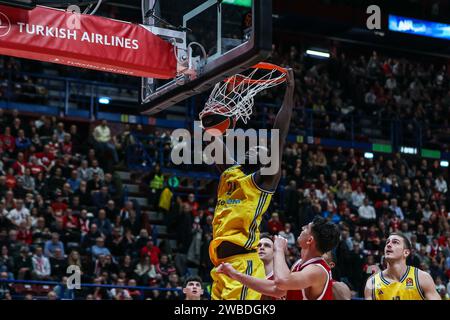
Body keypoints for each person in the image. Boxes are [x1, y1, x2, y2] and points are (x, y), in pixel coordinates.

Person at [209, 68, 295, 300]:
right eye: (255, 146)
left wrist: (289, 91)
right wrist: (217, 107)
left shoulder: (263, 181)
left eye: (263, 150)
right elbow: (210, 136)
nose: (256, 147)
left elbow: (280, 133)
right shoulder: (231, 174)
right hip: (220, 265)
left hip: (243, 263)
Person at [217, 216, 340, 300]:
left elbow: (282, 281)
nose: (302, 228)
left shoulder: (317, 270)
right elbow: (277, 289)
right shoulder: (299, 264)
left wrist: (279, 250)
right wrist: (235, 274)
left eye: (306, 228)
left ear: (309, 240)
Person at [364, 233, 441, 300]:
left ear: (406, 252)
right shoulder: (372, 283)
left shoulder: (422, 278)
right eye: (387, 242)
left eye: (395, 242)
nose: (388, 245)